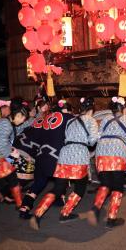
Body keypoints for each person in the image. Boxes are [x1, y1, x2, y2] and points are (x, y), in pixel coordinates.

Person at [29, 97, 99, 230]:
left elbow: (66, 136)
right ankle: (65, 213)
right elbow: (92, 141)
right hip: (78, 155)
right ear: (92, 109)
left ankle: (37, 214)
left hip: (64, 154)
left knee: (58, 188)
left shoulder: (71, 120)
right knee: (80, 187)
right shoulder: (91, 120)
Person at [87, 96, 126, 229]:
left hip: (102, 150)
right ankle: (111, 219)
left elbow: (100, 132)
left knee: (105, 183)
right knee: (117, 186)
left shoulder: (106, 118)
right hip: (117, 152)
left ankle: (96, 208)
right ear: (123, 108)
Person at [19, 104, 75, 219]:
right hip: (57, 155)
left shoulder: (47, 117)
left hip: (42, 154)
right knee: (61, 181)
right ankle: (56, 200)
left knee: (38, 183)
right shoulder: (69, 118)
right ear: (66, 109)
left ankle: (24, 207)